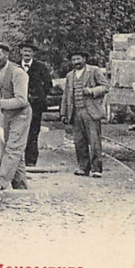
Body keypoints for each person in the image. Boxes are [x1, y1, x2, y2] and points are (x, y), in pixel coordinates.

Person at [0, 42, 31, 193]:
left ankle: (1, 181)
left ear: (7, 55)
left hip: (21, 113)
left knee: (13, 148)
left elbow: (22, 100)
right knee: (15, 149)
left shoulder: (18, 73)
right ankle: (21, 186)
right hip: (7, 113)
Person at [61, 49, 109, 178]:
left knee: (94, 141)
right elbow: (66, 95)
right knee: (79, 141)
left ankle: (96, 169)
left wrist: (92, 91)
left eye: (78, 59)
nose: (76, 62)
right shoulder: (70, 76)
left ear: (84, 59)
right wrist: (63, 113)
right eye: (73, 60)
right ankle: (83, 167)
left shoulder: (94, 71)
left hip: (91, 111)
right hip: (75, 112)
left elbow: (105, 87)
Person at [19, 41, 54, 166]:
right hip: (18, 105)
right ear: (21, 52)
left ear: (33, 53)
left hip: (35, 106)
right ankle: (17, 160)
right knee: (18, 131)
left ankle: (30, 161)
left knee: (33, 132)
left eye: (29, 51)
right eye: (25, 51)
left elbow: (48, 84)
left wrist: (39, 97)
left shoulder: (41, 67)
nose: (27, 53)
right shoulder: (15, 67)